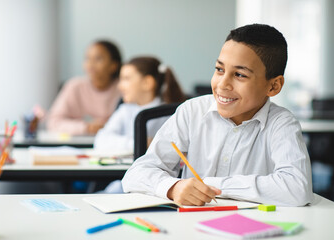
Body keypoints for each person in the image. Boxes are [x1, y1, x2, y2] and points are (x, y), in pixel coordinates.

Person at [122, 24, 314, 207]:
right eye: (220, 69)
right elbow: (135, 175)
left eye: (239, 75)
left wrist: (210, 185)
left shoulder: (282, 123)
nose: (222, 84)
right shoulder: (192, 112)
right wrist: (173, 187)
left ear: (273, 86)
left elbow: (297, 188)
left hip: (251, 226)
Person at [94, 56, 186, 153]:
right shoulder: (125, 110)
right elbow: (100, 140)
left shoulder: (171, 113)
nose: (119, 86)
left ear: (147, 83)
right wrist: (140, 143)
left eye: (126, 79)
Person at [47, 40, 122, 135]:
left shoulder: (123, 88)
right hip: (79, 143)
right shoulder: (74, 86)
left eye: (98, 59)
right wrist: (86, 127)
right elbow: (53, 122)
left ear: (113, 65)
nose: (91, 64)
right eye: (87, 59)